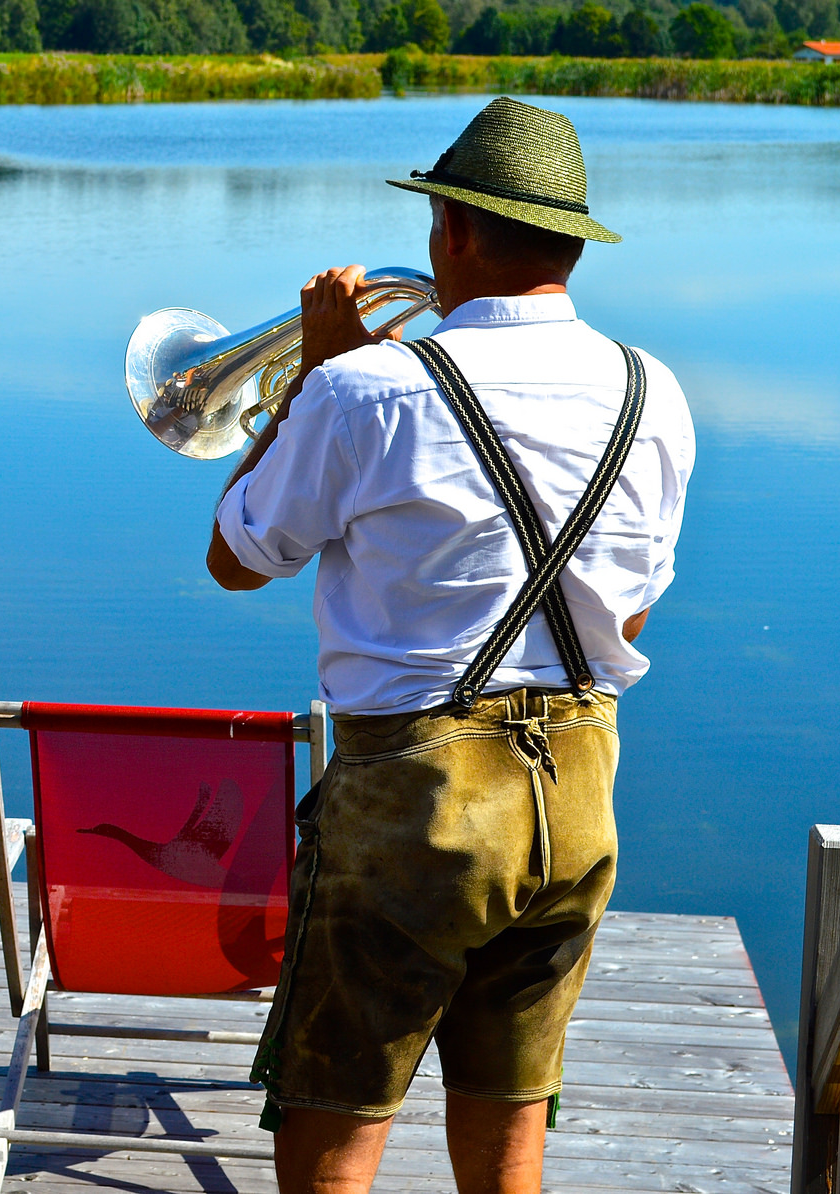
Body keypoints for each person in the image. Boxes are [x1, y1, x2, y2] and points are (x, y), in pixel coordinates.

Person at [207, 98, 695, 1194]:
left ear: (457, 234)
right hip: (576, 794)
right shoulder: (650, 390)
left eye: (436, 219)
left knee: (332, 1137)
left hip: (410, 802)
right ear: (569, 243)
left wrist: (304, 385)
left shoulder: (360, 390)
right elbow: (632, 617)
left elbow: (235, 557)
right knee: (509, 1131)